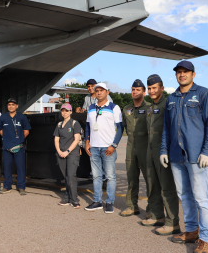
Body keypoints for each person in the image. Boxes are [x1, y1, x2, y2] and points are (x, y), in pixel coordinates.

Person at [161, 61, 208, 253]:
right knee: (184, 196)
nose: (182, 75)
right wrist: (164, 150)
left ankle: (206, 238)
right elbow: (166, 129)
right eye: (179, 72)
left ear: (193, 74)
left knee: (202, 198)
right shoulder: (172, 98)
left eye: (185, 72)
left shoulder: (204, 94)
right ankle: (192, 230)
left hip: (197, 155)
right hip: (176, 155)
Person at [142, 74, 180, 236]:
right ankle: (158, 215)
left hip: (164, 152)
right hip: (150, 152)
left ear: (162, 88)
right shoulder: (150, 107)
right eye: (149, 88)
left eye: (154, 88)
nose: (151, 91)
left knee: (167, 187)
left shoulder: (168, 104)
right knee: (152, 185)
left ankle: (173, 222)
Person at [84, 83, 124, 213]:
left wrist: (114, 145)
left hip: (108, 148)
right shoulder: (91, 108)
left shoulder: (114, 107)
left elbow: (120, 128)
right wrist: (87, 142)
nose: (99, 92)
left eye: (102, 90)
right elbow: (87, 127)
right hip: (94, 147)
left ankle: (110, 202)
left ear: (107, 92)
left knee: (110, 176)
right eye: (97, 90)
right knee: (96, 176)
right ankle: (97, 201)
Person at [120, 80, 152, 218]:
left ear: (144, 92)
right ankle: (132, 206)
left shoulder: (150, 107)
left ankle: (152, 209)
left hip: (145, 148)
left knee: (150, 180)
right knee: (131, 178)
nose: (134, 92)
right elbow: (124, 127)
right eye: (133, 89)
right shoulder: (126, 109)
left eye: (138, 90)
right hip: (130, 147)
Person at [0, 98, 31, 195]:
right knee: (7, 167)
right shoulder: (3, 117)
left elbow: (26, 131)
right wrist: (7, 139)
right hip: (6, 147)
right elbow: (0, 130)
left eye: (13, 104)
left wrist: (18, 141)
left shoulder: (22, 117)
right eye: (9, 105)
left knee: (20, 167)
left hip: (19, 147)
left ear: (17, 106)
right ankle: (7, 186)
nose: (11, 106)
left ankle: (21, 187)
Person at [54, 103, 82, 208]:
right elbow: (56, 139)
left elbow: (76, 139)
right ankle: (67, 197)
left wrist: (67, 151)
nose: (64, 112)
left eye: (67, 110)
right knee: (66, 177)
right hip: (61, 153)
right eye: (63, 110)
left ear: (70, 112)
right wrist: (59, 151)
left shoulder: (75, 123)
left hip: (72, 153)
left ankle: (74, 200)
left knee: (71, 176)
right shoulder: (59, 125)